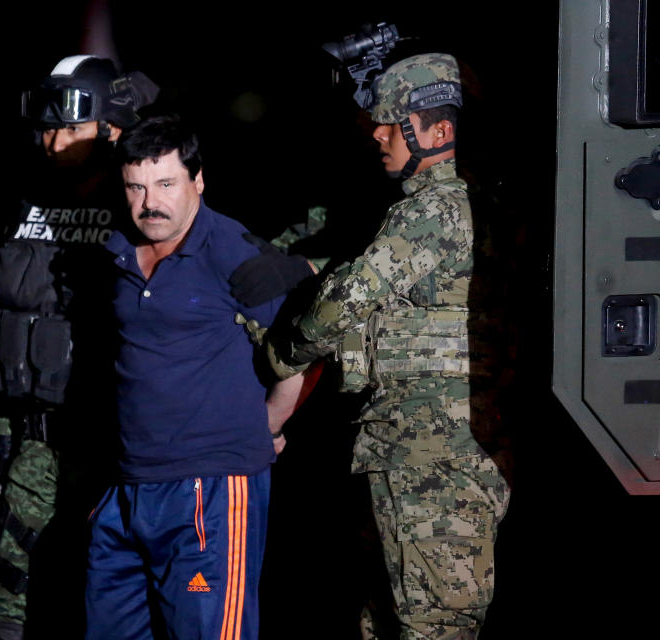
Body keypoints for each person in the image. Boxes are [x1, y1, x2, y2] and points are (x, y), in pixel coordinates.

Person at [263, 53, 511, 640]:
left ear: (439, 132)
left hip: (431, 458)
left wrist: (281, 354)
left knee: (432, 626)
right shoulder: (450, 207)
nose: (378, 132)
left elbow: (346, 300)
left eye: (394, 120)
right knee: (389, 618)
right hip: (421, 453)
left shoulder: (433, 211)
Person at [84, 114, 304, 640]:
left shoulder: (234, 252)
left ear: (197, 180)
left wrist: (267, 427)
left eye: (165, 184)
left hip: (209, 489)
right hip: (126, 489)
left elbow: (304, 349)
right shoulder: (115, 248)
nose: (149, 202)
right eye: (136, 187)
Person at [0, 54, 158, 640]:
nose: (53, 142)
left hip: (98, 433)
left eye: (71, 127)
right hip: (13, 425)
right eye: (47, 127)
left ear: (111, 128)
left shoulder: (141, 202)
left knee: (100, 591)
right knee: (1, 587)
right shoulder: (15, 194)